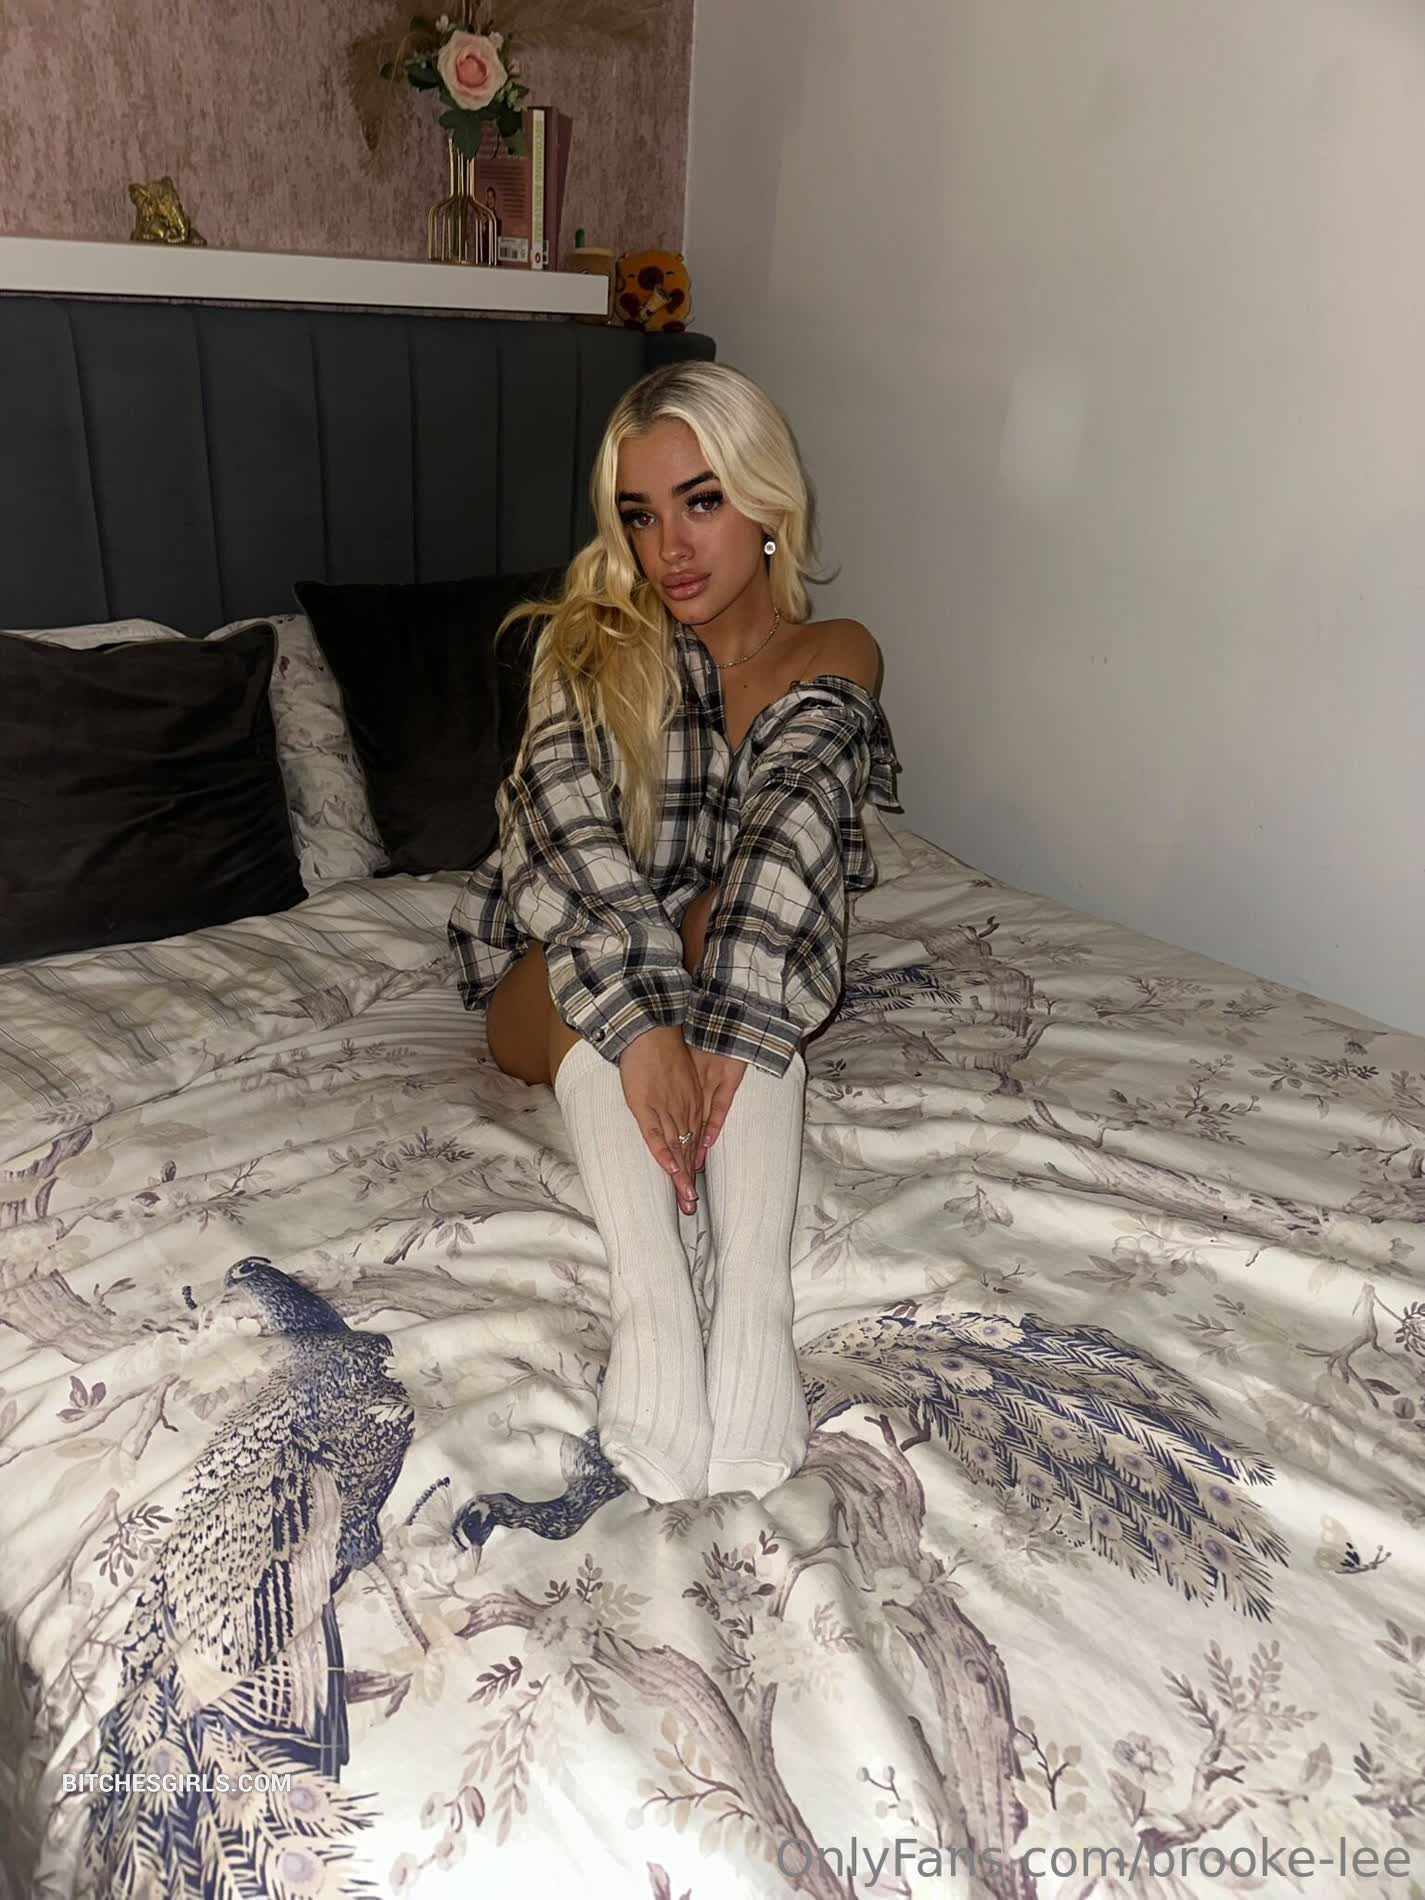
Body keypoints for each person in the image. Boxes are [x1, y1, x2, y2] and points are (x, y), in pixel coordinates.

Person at [448, 360, 902, 1504]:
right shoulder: (587, 639)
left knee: (740, 919)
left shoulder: (837, 651)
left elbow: (790, 843)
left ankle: (752, 1305)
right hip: (557, 972)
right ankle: (653, 1301)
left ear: (769, 501)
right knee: (618, 950)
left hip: (725, 945)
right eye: (641, 515)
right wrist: (649, 1028)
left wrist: (724, 1024)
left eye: (701, 501)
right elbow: (564, 830)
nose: (669, 548)